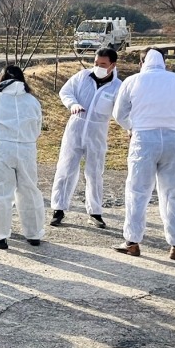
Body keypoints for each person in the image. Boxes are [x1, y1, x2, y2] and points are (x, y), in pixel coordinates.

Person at [112, 48, 175, 260]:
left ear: (141, 63)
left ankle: (132, 242)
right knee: (173, 192)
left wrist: (131, 127)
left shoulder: (133, 81)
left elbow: (119, 113)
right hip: (172, 139)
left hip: (144, 139)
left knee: (137, 191)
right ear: (165, 62)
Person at [49, 48, 122, 228]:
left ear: (112, 65)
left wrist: (130, 127)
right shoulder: (82, 77)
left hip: (97, 133)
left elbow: (122, 111)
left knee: (95, 172)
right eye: (96, 63)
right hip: (75, 128)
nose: (98, 67)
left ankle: (95, 212)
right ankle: (58, 209)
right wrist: (72, 104)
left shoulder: (118, 87)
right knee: (66, 168)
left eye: (103, 64)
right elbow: (66, 92)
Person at [0, 65, 46, 250]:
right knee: (29, 190)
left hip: (1, 148)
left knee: (0, 192)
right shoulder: (32, 101)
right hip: (27, 148)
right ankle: (34, 234)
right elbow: (37, 128)